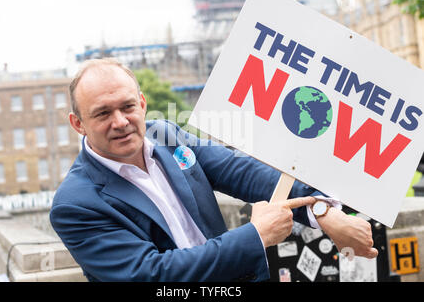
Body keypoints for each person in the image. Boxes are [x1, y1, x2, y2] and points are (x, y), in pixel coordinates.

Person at [50, 58, 378, 282]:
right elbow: (152, 275)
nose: (120, 122)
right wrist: (256, 235)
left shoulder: (165, 133)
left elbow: (243, 173)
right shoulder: (75, 204)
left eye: (127, 106)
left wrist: (322, 210)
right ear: (78, 124)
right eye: (103, 113)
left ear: (143, 104)